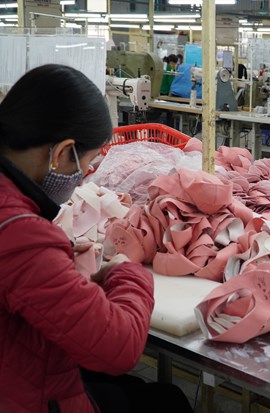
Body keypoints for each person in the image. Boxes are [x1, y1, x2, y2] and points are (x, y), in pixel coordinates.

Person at [0, 64, 193, 413]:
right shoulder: (20, 232)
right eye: (86, 165)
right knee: (167, 402)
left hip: (19, 370)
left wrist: (56, 263)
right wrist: (127, 271)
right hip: (29, 397)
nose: (83, 177)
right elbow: (119, 349)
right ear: (61, 153)